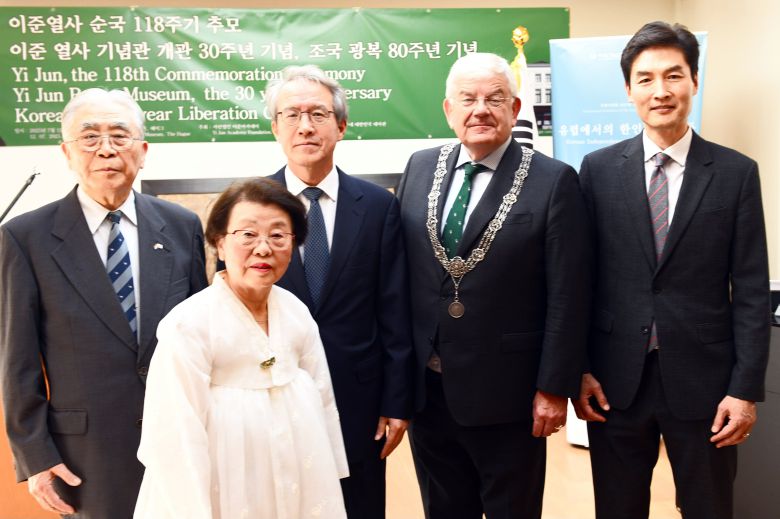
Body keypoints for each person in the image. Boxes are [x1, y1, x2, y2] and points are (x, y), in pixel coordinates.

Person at [574, 21, 770, 519]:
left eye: (674, 75)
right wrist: (580, 368)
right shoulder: (596, 170)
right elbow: (579, 280)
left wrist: (744, 390)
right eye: (646, 78)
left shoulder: (735, 173)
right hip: (615, 383)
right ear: (629, 89)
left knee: (708, 508)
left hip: (707, 386)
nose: (660, 91)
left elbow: (749, 289)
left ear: (695, 81)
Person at [397, 52, 590, 519]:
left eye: (494, 99)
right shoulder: (420, 166)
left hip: (511, 395)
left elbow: (569, 292)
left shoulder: (553, 180)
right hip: (430, 390)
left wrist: (553, 388)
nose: (479, 109)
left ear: (515, 107)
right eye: (467, 99)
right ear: (448, 109)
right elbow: (402, 274)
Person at [0, 88, 208, 518]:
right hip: (84, 456)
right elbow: (17, 362)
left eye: (120, 135)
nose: (106, 149)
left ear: (143, 150)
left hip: (180, 441)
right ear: (67, 152)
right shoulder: (26, 238)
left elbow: (201, 338)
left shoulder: (181, 226)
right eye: (89, 137)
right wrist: (35, 456)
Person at [133, 178, 349, 518]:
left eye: (278, 235)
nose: (263, 248)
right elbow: (174, 434)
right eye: (247, 234)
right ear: (219, 243)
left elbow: (322, 396)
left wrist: (330, 468)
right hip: (226, 486)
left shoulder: (296, 312)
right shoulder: (188, 324)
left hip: (298, 479)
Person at [264, 65, 414, 519]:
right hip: (273, 398)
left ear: (341, 126)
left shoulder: (379, 206)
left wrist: (396, 402)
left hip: (359, 401)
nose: (305, 126)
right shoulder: (252, 205)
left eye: (318, 114)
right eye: (291, 115)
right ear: (275, 127)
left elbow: (395, 309)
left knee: (360, 506)